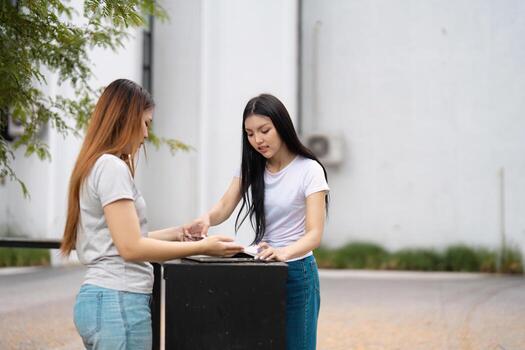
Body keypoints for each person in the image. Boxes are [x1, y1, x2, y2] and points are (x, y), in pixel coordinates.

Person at [60, 78, 243, 350]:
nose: (146, 135)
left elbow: (124, 239)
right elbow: (131, 247)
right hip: (118, 302)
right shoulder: (112, 167)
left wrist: (179, 234)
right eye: (146, 123)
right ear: (125, 119)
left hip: (104, 299)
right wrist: (206, 247)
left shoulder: (95, 164)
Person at [183, 93, 329, 350]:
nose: (257, 140)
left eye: (264, 130)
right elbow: (225, 207)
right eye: (250, 133)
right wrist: (205, 219)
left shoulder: (309, 170)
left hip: (297, 272)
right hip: (262, 270)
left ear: (281, 126)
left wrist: (282, 252)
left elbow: (314, 234)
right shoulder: (251, 166)